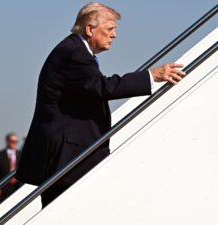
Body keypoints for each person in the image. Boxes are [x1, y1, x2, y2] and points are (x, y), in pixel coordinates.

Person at [15, 2, 186, 207]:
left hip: (70, 154)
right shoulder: (74, 53)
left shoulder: (75, 50)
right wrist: (150, 76)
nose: (114, 35)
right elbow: (102, 87)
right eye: (110, 29)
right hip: (69, 157)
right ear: (90, 29)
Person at [0, 132, 22, 205]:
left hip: (17, 187)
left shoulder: (21, 154)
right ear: (7, 141)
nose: (13, 143)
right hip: (3, 187)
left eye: (15, 141)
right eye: (12, 141)